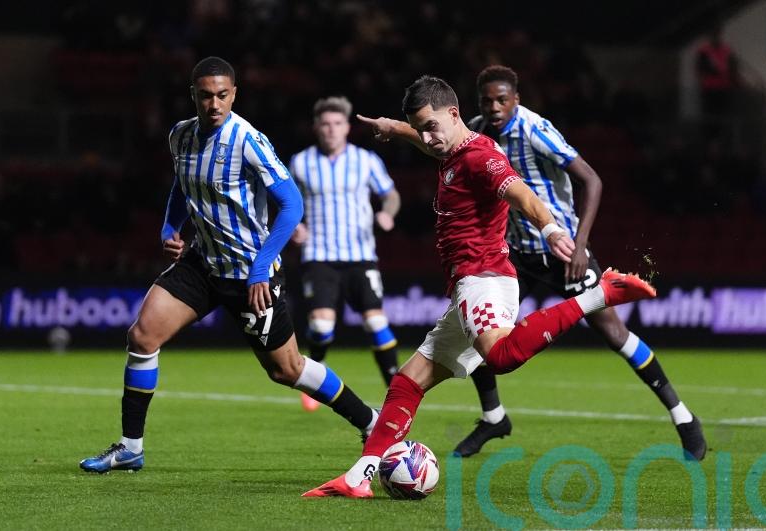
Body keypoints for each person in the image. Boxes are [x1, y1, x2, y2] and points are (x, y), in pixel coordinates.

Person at [302, 75, 656, 497]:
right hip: (466, 288)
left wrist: (549, 230)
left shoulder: (480, 155)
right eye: (420, 127)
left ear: (454, 115)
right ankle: (359, 477)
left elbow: (520, 193)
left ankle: (601, 294)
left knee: (501, 357)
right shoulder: (451, 152)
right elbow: (428, 141)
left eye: (431, 126)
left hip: (484, 279)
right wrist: (396, 129)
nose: (428, 137)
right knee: (407, 382)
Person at [79, 57, 378, 473]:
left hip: (250, 273)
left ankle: (370, 421)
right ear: (194, 96)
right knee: (143, 336)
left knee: (287, 369)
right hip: (202, 263)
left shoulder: (248, 140)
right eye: (205, 95)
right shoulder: (180, 136)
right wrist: (171, 227)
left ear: (234, 94)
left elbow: (292, 205)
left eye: (222, 95)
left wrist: (261, 269)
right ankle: (131, 448)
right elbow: (182, 187)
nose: (214, 103)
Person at [450, 65, 707, 460]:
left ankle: (684, 417)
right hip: (515, 252)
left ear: (516, 99)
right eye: (488, 100)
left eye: (503, 99)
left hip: (563, 251)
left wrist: (581, 244)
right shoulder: (476, 130)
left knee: (614, 335)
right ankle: (493, 417)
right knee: (481, 332)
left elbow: (592, 179)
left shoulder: (536, 130)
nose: (495, 106)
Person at [288, 96, 401, 412]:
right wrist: (296, 225)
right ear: (316, 128)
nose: (331, 129)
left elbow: (390, 195)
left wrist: (387, 213)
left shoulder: (366, 160)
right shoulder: (300, 162)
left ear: (347, 128)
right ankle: (314, 373)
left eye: (337, 124)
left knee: (376, 323)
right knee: (322, 326)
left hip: (361, 253)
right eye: (325, 124)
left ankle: (396, 392)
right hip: (319, 254)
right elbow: (287, 201)